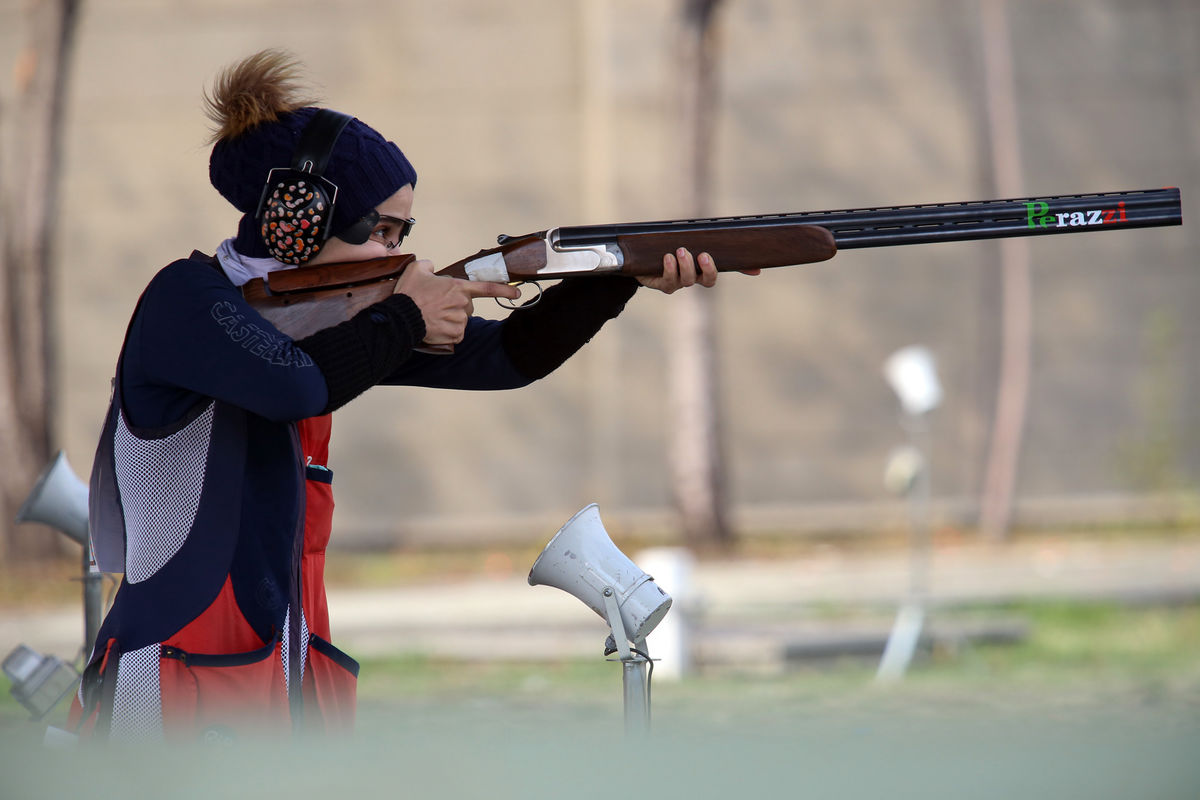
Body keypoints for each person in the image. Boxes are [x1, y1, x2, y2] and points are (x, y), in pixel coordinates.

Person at [69, 49, 739, 744]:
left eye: (402, 235)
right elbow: (293, 387)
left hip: (281, 686)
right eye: (381, 232)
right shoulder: (184, 301)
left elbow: (509, 358)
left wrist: (617, 275)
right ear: (294, 219)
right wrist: (407, 316)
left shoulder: (332, 328)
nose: (398, 255)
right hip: (165, 699)